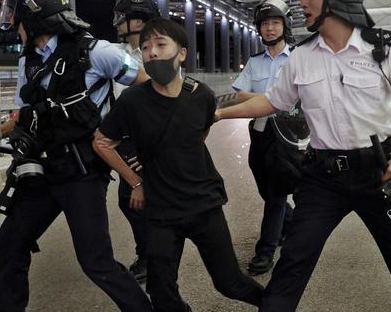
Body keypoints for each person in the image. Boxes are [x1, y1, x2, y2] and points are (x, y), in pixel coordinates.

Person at [215, 0, 391, 311]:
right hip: (322, 178)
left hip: (377, 174)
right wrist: (218, 113)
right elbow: (272, 101)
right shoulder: (302, 55)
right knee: (293, 261)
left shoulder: (382, 47)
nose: (303, 2)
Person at [0, 0, 152, 311]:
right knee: (10, 244)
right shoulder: (27, 60)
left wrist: (131, 137)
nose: (12, 20)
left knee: (96, 262)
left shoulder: (98, 52)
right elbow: (24, 114)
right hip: (42, 168)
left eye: (16, 11)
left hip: (83, 174)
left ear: (33, 12)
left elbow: (148, 87)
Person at [93, 18, 264, 312]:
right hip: (160, 212)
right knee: (162, 293)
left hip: (204, 205)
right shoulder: (132, 100)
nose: (152, 53)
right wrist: (135, 181)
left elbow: (198, 134)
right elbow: (101, 141)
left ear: (181, 53)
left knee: (229, 282)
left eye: (161, 45)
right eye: (146, 48)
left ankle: (276, 304)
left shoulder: (202, 96)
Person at [232, 0, 298, 275]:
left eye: (275, 22)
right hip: (259, 133)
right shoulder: (255, 62)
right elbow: (239, 93)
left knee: (275, 195)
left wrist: (272, 100)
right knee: (266, 190)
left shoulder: (298, 58)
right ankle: (291, 225)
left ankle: (266, 251)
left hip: (288, 136)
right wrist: (272, 99)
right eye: (265, 24)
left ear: (285, 26)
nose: (269, 28)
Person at [111, 0, 161, 282]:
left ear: (138, 21)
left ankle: (152, 256)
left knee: (134, 198)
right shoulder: (121, 52)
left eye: (123, 17)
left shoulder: (153, 53)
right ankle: (152, 253)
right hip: (123, 135)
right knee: (133, 198)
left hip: (143, 136)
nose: (117, 23)